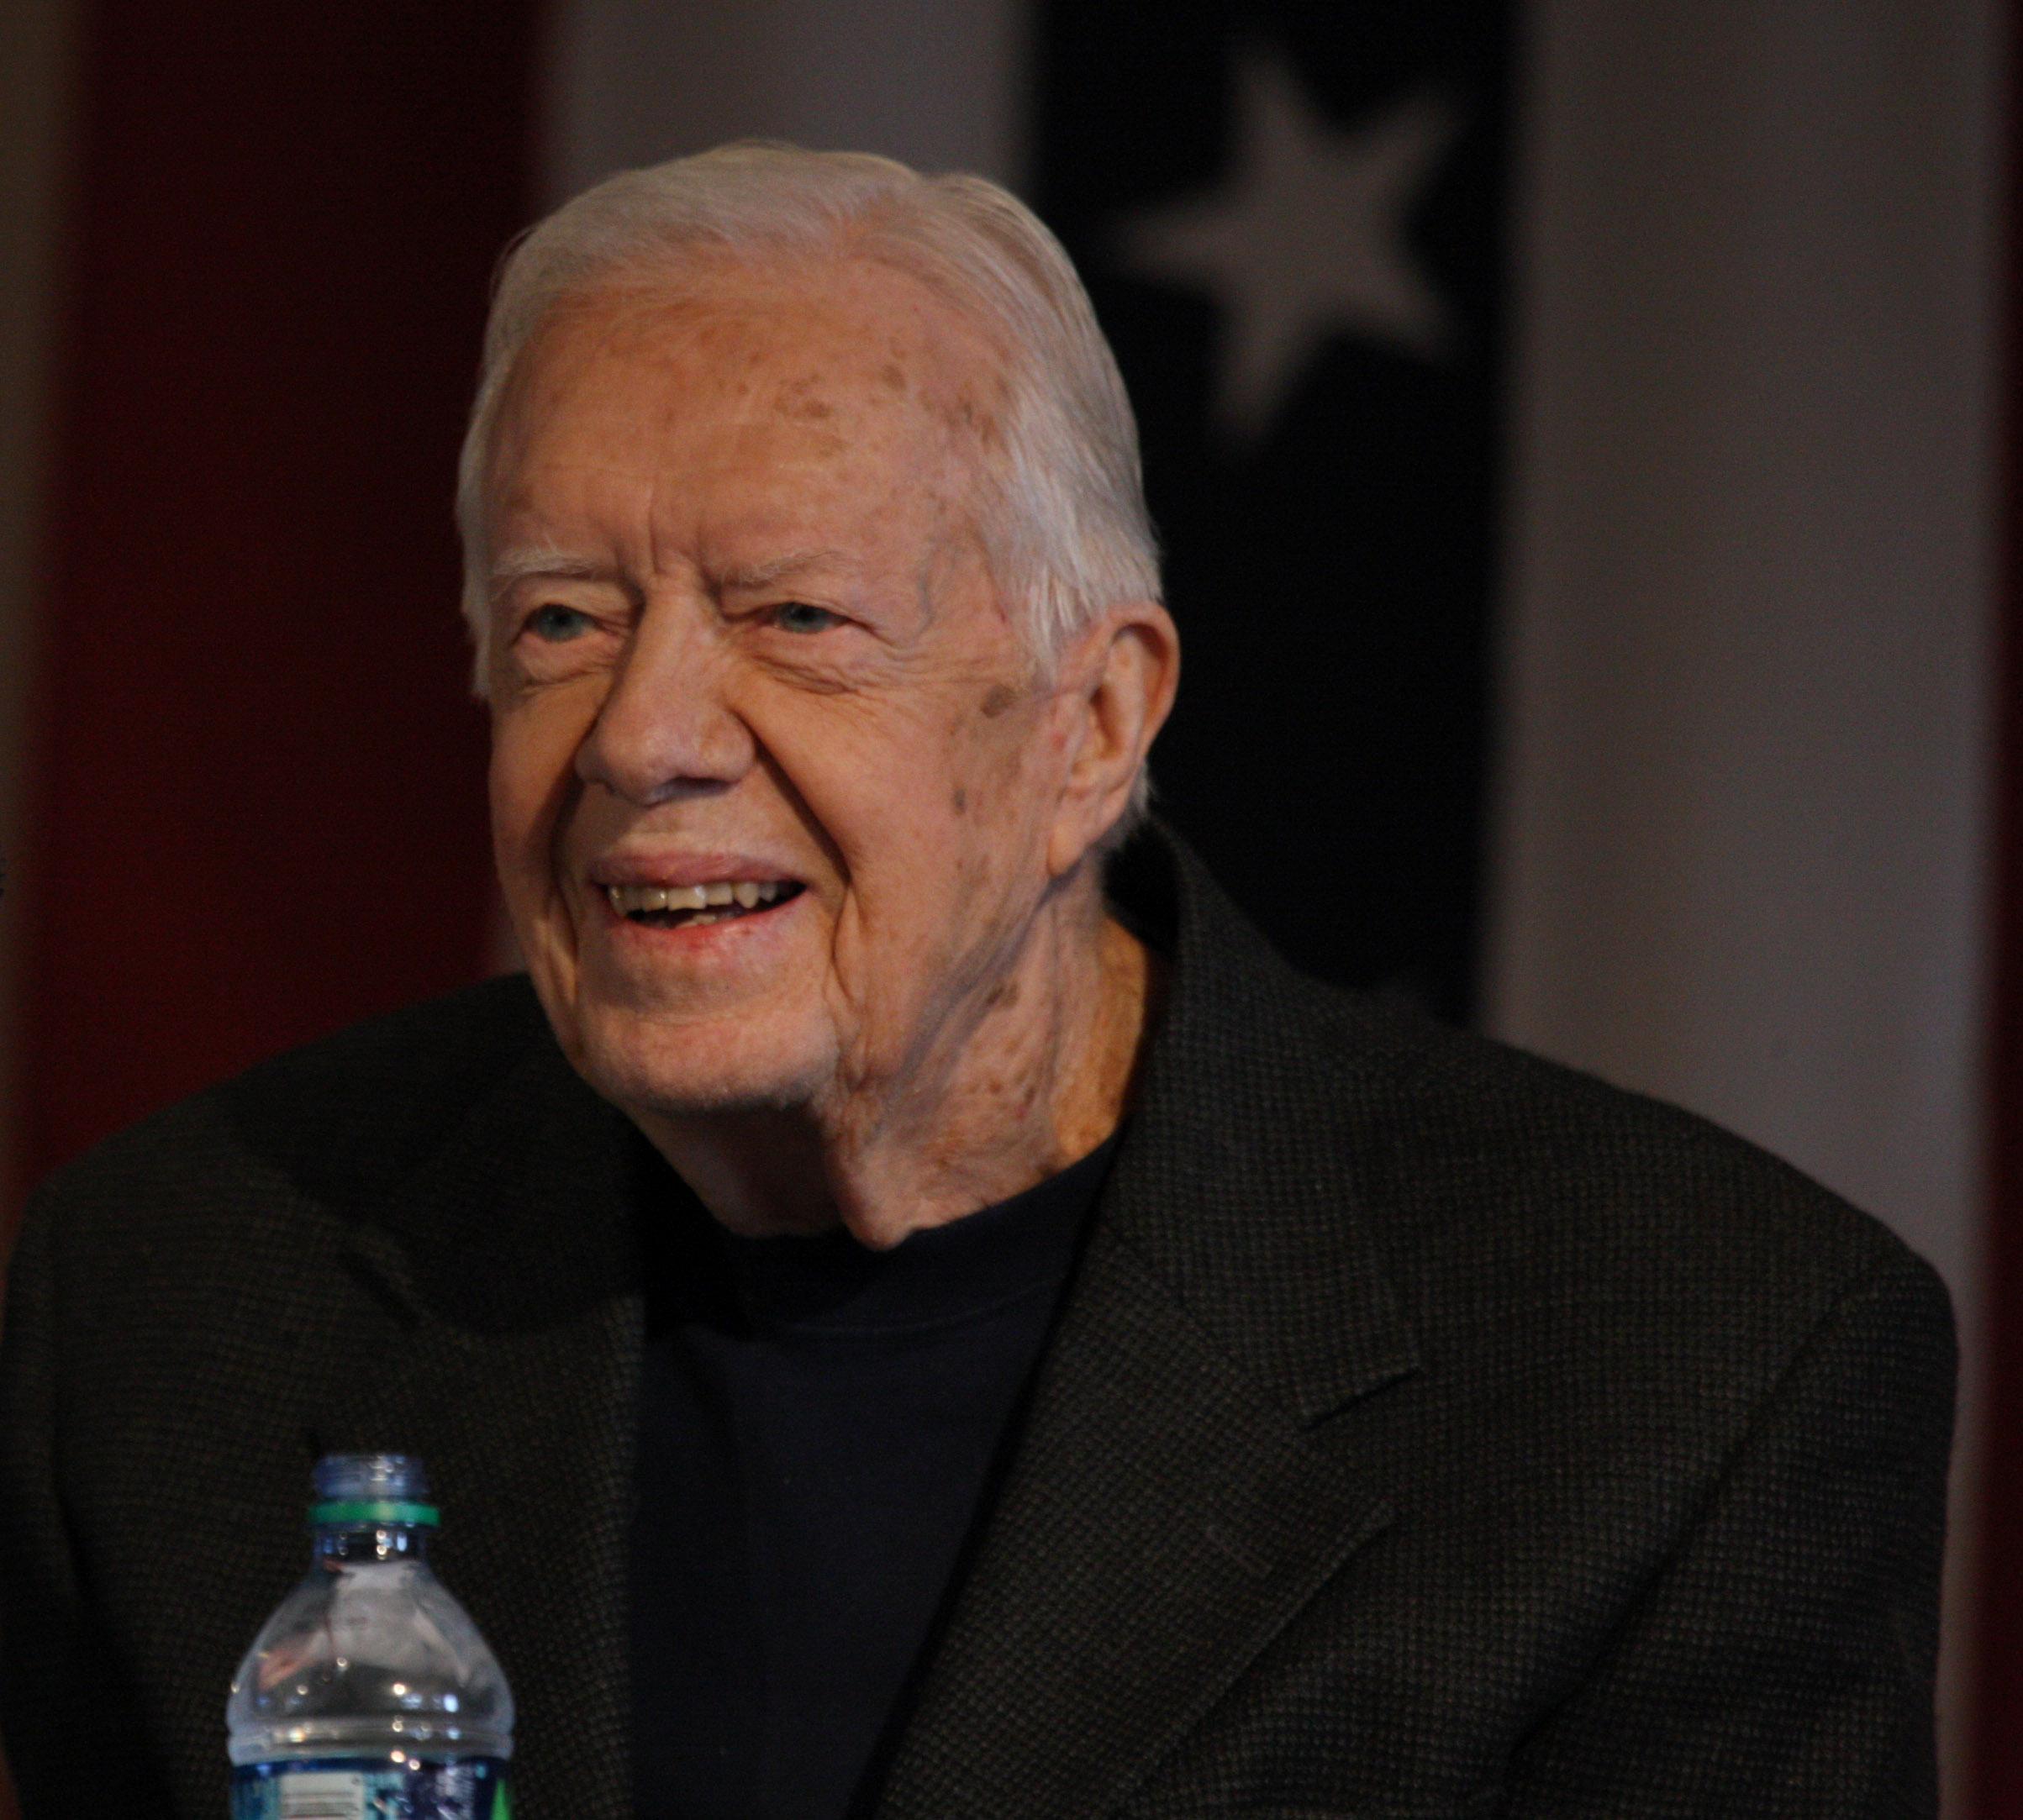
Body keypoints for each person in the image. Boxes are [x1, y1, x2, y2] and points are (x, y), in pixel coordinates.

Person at [0, 145, 1952, 1819]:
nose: (643, 738)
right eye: (561, 621)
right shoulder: (175, 1305)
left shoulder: (1678, 1384)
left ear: (1090, 727)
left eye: (795, 616)